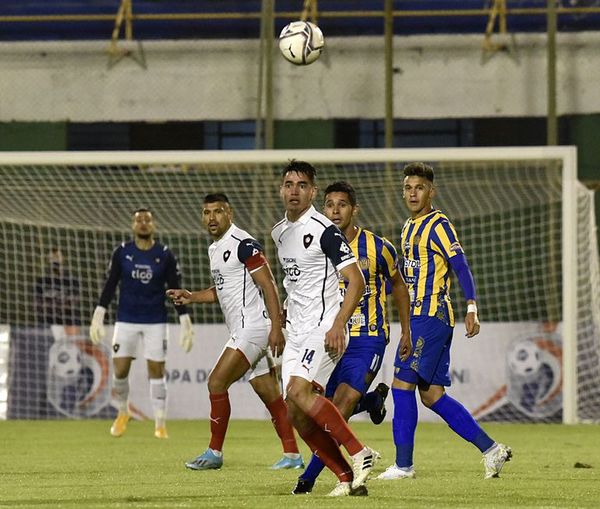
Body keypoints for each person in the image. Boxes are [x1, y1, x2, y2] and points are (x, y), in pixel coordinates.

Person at [377, 162, 512, 481]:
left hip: (431, 314)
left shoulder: (439, 225)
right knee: (432, 395)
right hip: (421, 317)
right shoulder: (409, 227)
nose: (412, 193)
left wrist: (472, 306)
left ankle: (404, 465)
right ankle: (492, 450)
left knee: (401, 384)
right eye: (408, 188)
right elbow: (408, 276)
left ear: (431, 191)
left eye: (419, 187)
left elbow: (461, 266)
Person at [167, 193, 303, 471]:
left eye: (218, 211)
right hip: (245, 329)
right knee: (270, 394)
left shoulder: (244, 244)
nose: (212, 217)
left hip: (253, 328)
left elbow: (269, 285)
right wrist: (190, 296)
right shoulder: (215, 249)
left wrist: (276, 328)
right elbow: (221, 291)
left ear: (230, 213)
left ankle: (214, 452)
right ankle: (292, 456)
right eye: (207, 212)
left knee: (216, 382)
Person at [291, 180, 412, 494]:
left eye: (341, 205)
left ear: (353, 209)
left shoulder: (378, 247)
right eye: (329, 204)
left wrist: (406, 330)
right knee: (317, 408)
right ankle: (371, 402)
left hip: (366, 338)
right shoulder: (315, 246)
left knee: (340, 407)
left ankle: (311, 478)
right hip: (329, 339)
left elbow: (398, 286)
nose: (334, 211)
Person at [272, 161, 378, 497]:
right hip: (297, 330)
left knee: (302, 392)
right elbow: (296, 279)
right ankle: (346, 477)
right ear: (281, 189)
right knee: (296, 413)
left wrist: (337, 325)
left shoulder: (324, 230)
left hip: (324, 325)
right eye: (289, 184)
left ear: (312, 192)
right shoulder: (279, 232)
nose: (294, 190)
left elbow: (356, 281)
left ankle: (361, 452)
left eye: (302, 185)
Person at [89, 208, 194, 439]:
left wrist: (184, 318)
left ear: (154, 225)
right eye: (139, 220)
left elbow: (175, 287)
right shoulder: (122, 252)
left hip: (155, 321)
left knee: (156, 371)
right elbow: (110, 283)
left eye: (147, 220)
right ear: (132, 225)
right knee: (120, 370)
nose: (143, 224)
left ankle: (160, 423)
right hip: (125, 319)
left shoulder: (165, 254)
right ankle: (123, 412)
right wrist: (99, 312)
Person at [35, 248, 81, 333]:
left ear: (62, 258)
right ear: (48, 260)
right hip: (48, 324)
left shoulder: (72, 281)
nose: (55, 260)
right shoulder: (41, 282)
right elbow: (39, 306)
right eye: (52, 258)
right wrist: (60, 303)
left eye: (57, 257)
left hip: (69, 323)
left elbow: (73, 303)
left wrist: (52, 304)